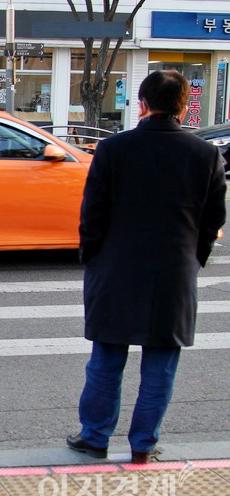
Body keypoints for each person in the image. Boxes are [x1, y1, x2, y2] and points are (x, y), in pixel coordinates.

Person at [67, 70, 226, 464]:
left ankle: (95, 437)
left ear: (141, 104)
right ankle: (143, 444)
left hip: (116, 270)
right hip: (174, 273)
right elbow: (212, 220)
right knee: (161, 363)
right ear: (185, 107)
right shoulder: (206, 155)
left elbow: (93, 215)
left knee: (106, 358)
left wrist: (93, 257)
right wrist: (194, 258)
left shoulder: (113, 150)